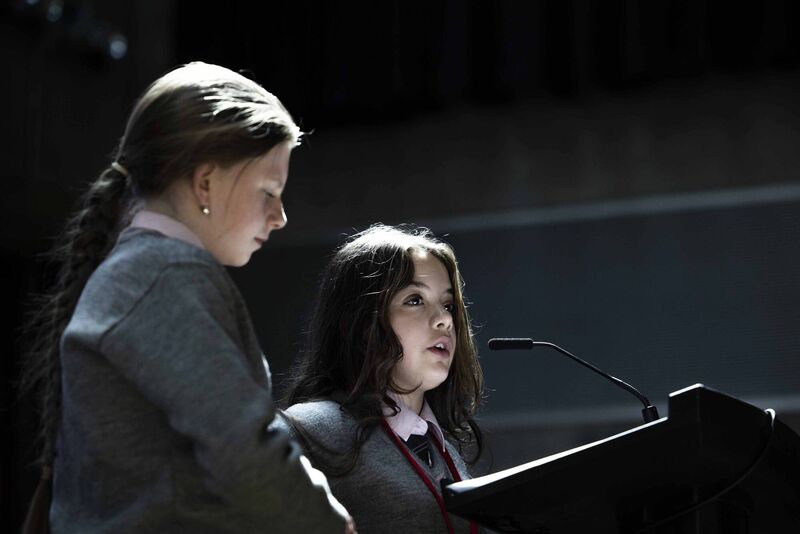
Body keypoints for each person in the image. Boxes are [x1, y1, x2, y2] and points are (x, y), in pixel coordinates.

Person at [20, 62, 353, 533]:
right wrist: (330, 524)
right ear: (205, 184)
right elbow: (243, 447)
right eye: (269, 190)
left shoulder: (140, 275)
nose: (280, 216)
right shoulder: (166, 274)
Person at [279, 224, 485, 534]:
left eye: (449, 305)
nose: (445, 319)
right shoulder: (307, 430)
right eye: (415, 300)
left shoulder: (446, 451)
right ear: (362, 321)